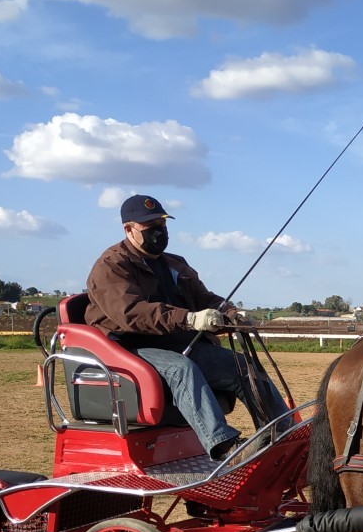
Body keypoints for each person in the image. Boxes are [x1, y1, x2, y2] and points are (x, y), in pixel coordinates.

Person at [85, 195, 288, 459]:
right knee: (182, 369)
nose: (159, 231)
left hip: (180, 342)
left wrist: (230, 313)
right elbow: (131, 313)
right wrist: (190, 319)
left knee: (242, 365)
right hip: (130, 347)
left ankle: (282, 432)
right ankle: (226, 447)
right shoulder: (112, 266)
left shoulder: (174, 263)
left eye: (162, 224)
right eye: (150, 227)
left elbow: (204, 298)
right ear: (128, 229)